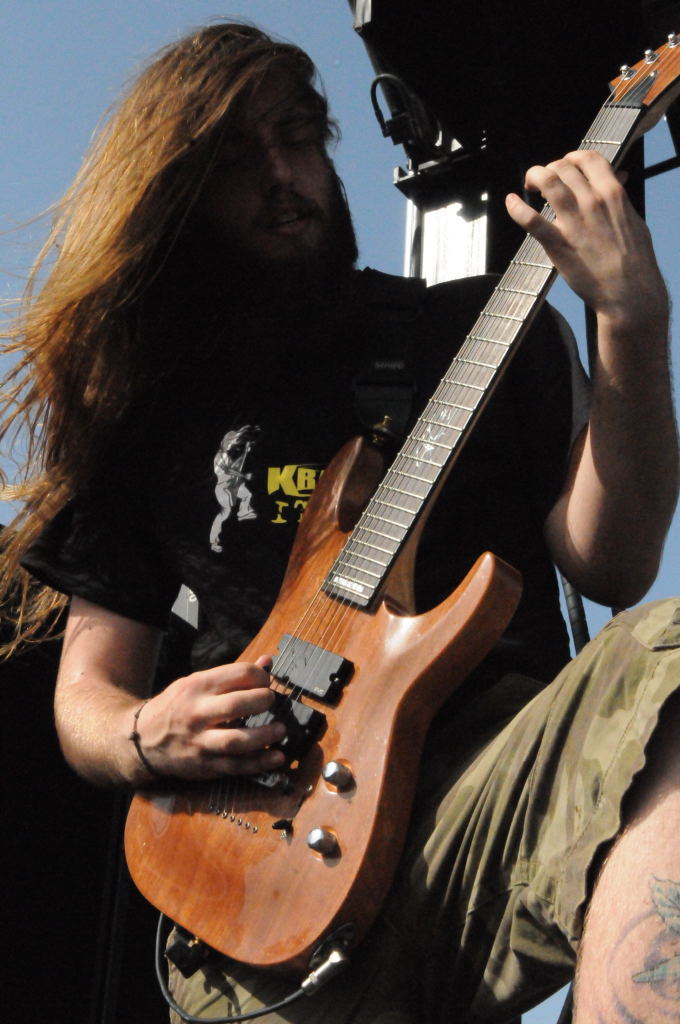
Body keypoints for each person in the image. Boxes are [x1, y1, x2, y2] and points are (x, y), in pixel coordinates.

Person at [1, 21, 678, 1024]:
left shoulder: (474, 329)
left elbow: (614, 564)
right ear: (177, 190)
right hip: (255, 852)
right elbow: (87, 695)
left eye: (298, 137)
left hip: (486, 793)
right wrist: (145, 733)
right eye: (237, 158)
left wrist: (631, 322)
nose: (282, 175)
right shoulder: (150, 411)